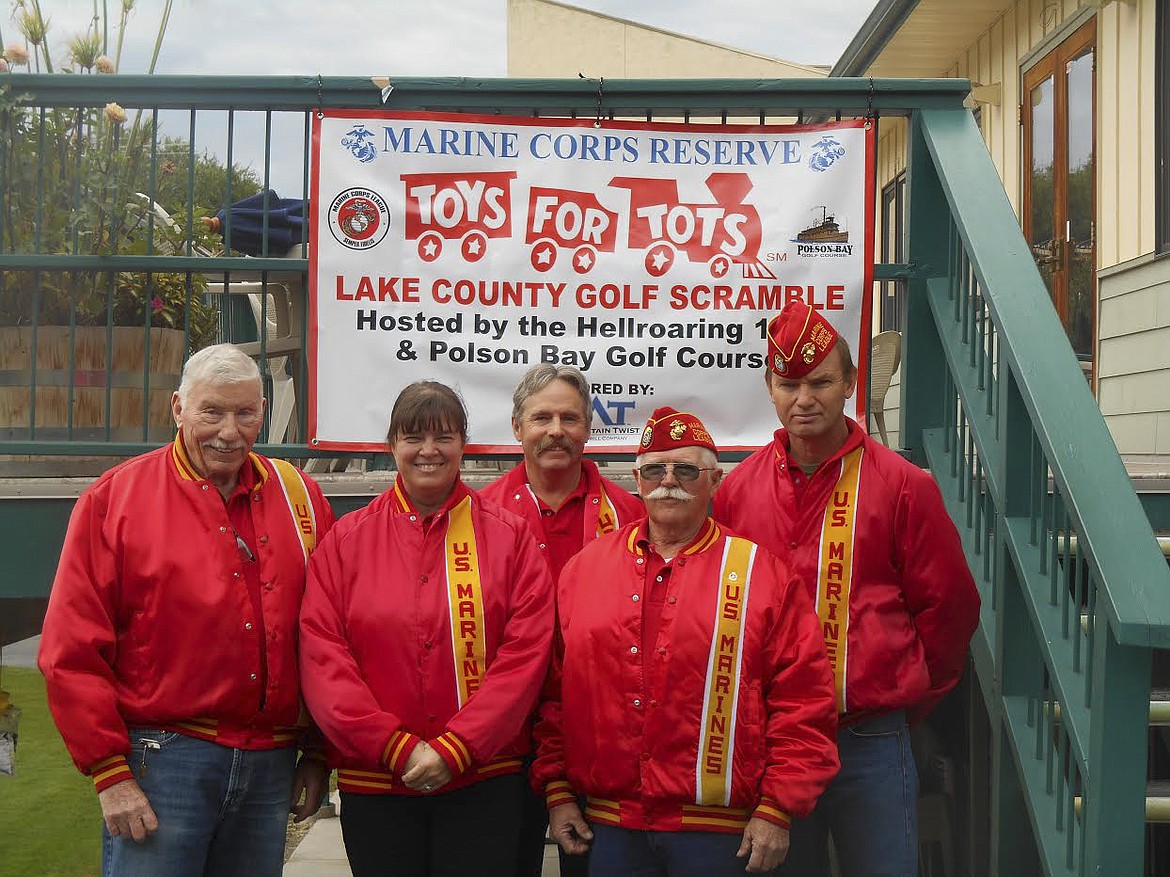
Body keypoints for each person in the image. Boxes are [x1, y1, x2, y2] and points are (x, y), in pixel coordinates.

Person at [38, 343, 335, 877]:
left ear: (263, 411)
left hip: (270, 763)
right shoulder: (115, 500)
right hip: (163, 762)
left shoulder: (302, 497)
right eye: (211, 411)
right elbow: (70, 649)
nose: (229, 430)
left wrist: (316, 751)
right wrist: (110, 774)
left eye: (245, 413)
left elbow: (325, 638)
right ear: (178, 408)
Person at [713, 301, 981, 877]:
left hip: (872, 740)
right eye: (789, 383)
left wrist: (902, 695)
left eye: (820, 382)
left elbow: (950, 609)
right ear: (769, 386)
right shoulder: (736, 491)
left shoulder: (904, 486)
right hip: (773, 743)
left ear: (851, 383)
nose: (804, 398)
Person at [532, 406, 839, 877]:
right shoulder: (585, 570)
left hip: (721, 835)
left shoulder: (764, 575)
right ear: (637, 479)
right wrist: (556, 790)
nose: (668, 480)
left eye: (686, 469)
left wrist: (777, 807)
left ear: (714, 481)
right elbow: (556, 693)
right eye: (655, 468)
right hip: (611, 828)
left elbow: (803, 702)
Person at [298, 380, 554, 877]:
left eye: (444, 436)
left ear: (465, 444)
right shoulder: (345, 541)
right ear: (391, 444)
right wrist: (392, 746)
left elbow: (525, 658)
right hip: (377, 781)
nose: (429, 451)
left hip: (485, 779)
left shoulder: (510, 537)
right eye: (414, 437)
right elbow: (323, 657)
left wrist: (459, 748)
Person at [479, 364, 644, 877]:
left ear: (589, 428)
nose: (555, 430)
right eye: (541, 417)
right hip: (501, 734)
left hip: (593, 731)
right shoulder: (478, 515)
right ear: (516, 428)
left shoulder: (631, 515)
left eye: (569, 418)